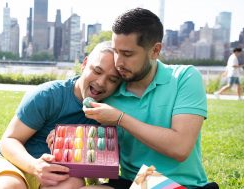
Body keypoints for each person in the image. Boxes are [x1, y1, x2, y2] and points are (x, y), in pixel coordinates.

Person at [82, 8, 218, 189]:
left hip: (182, 186)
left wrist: (120, 119)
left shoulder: (185, 77)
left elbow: (180, 148)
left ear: (155, 50)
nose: (118, 62)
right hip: (132, 183)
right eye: (116, 52)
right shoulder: (110, 89)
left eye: (127, 54)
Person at [0, 41, 122, 189]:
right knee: (11, 186)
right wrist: (34, 166)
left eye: (112, 79)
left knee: (73, 183)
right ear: (84, 64)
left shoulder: (108, 111)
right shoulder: (48, 95)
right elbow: (9, 140)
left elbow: (95, 160)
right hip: (10, 161)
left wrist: (70, 140)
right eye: (97, 71)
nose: (101, 82)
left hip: (54, 172)